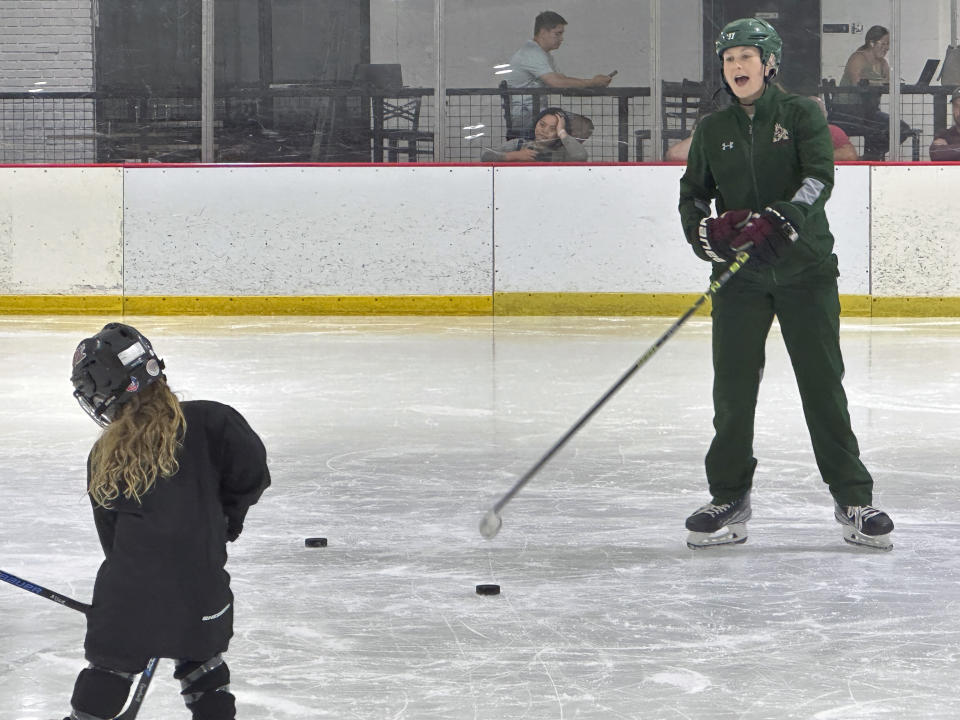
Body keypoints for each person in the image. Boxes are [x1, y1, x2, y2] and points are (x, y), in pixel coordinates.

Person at [677, 18, 893, 551]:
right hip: (740, 279)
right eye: (728, 60)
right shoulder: (713, 129)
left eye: (746, 57)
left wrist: (785, 216)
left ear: (769, 64)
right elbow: (693, 197)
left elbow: (820, 174)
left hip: (806, 273)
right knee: (731, 392)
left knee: (822, 386)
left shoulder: (800, 114)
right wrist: (709, 235)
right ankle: (728, 495)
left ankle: (853, 498)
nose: (736, 68)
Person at [64, 322, 271, 720]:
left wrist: (123, 601)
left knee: (106, 679)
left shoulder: (104, 454)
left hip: (127, 597)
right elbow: (251, 476)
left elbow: (111, 536)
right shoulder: (215, 421)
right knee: (205, 670)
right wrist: (225, 522)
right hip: (203, 586)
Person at [505, 11, 613, 136]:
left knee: (582, 127)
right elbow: (556, 82)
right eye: (558, 34)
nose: (561, 39)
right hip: (527, 116)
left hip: (535, 112)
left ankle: (553, 153)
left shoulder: (542, 54)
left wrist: (592, 83)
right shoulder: (532, 53)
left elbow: (561, 79)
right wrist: (592, 82)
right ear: (543, 32)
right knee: (582, 127)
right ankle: (555, 153)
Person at [832, 25, 913, 160]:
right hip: (847, 111)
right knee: (877, 128)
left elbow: (889, 82)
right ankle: (871, 158)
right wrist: (881, 82)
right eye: (884, 43)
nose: (887, 47)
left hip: (869, 112)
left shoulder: (883, 63)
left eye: (888, 44)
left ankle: (872, 156)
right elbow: (856, 82)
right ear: (871, 43)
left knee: (902, 128)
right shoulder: (858, 58)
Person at [482, 107, 588, 162]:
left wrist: (562, 132)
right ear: (536, 124)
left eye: (553, 128)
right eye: (542, 125)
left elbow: (581, 156)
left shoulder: (563, 152)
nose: (544, 131)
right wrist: (513, 155)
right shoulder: (518, 145)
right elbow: (486, 157)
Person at [809, 95, 859, 161]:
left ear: (825, 114)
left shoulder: (831, 131)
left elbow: (849, 155)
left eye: (819, 112)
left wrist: (816, 156)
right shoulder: (792, 131)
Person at [929, 89, 960, 160]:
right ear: (953, 109)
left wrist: (948, 149)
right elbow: (936, 153)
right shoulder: (945, 135)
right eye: (957, 106)